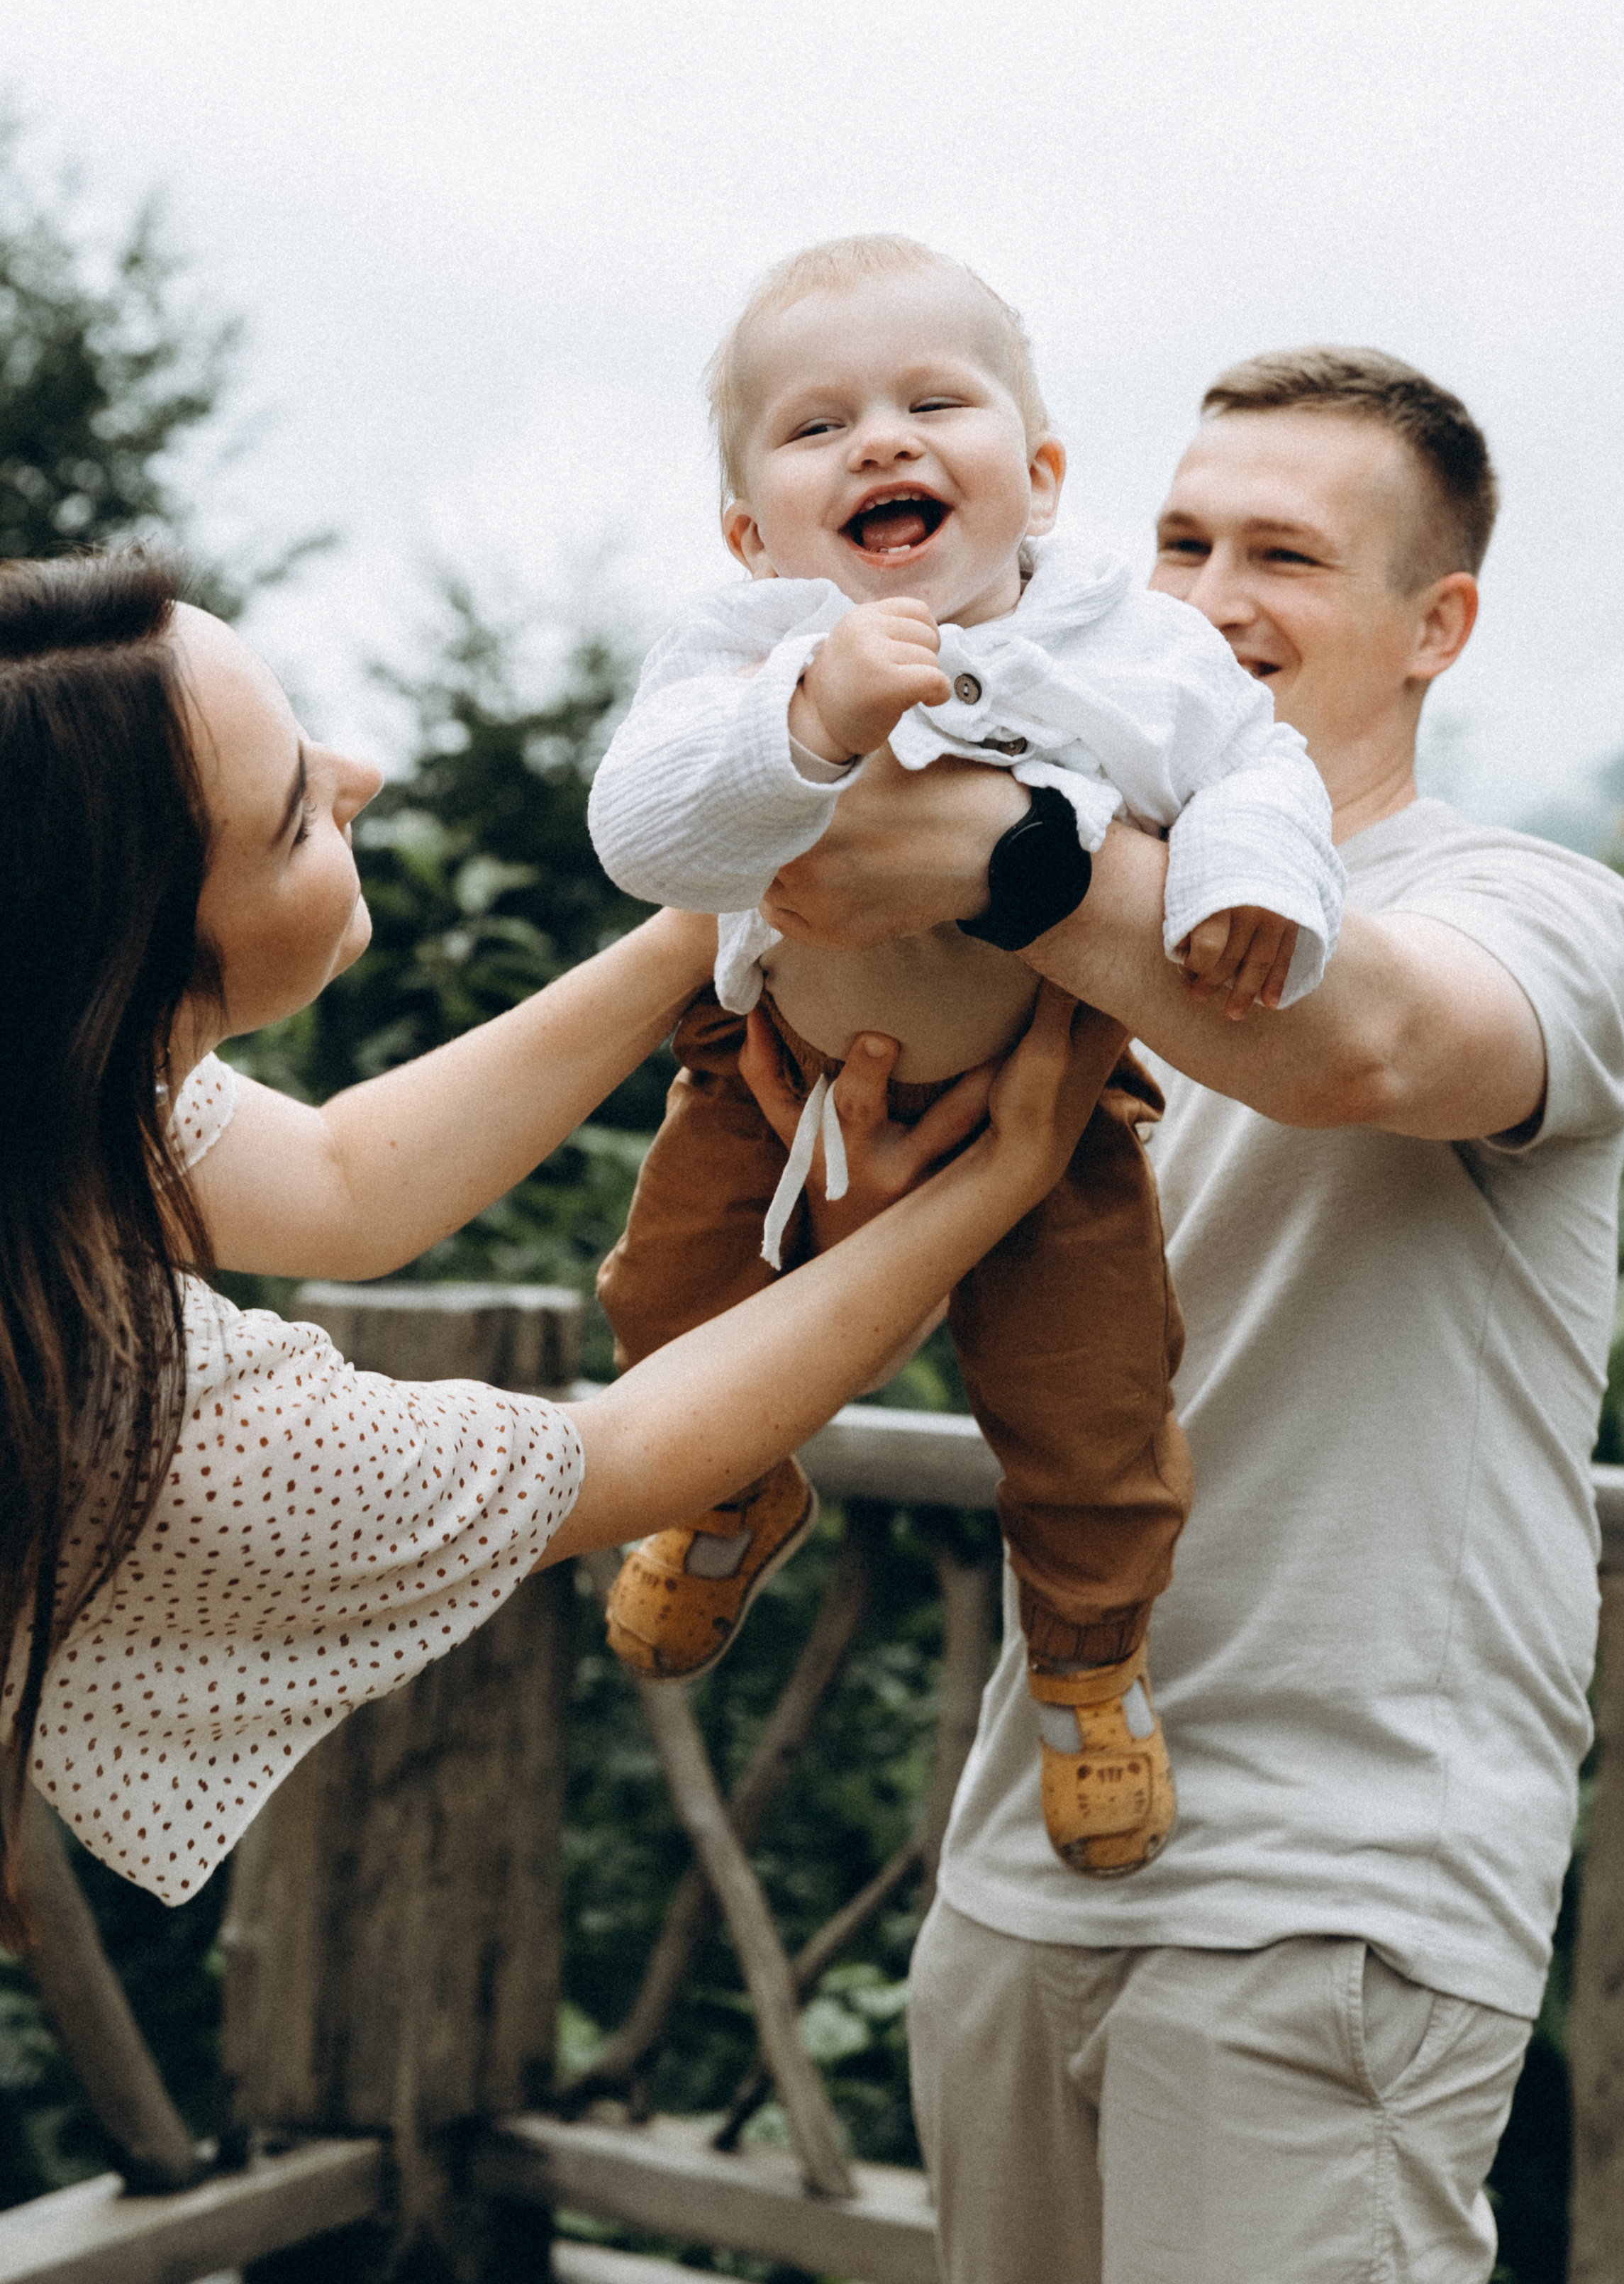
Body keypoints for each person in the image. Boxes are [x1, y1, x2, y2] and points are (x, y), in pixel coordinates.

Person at [757, 347, 1624, 2283]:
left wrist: (1012, 862)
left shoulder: (1535, 908)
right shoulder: (1061, 960)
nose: (1212, 596)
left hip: (1340, 1887)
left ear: (1438, 627)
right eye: (1178, 538)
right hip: (1020, 1860)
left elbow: (1364, 1045)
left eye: (1288, 556)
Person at [0, 548, 1119, 1943]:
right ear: (132, 958)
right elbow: (628, 1454)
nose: (359, 775)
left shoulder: (45, 1096)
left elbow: (350, 1188)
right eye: (295, 815)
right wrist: (1002, 1174)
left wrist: (728, 895)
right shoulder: (143, 1417)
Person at [584, 235, 1345, 1879]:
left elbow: (1256, 770)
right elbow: (638, 832)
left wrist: (1247, 876)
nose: (881, 439)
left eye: (937, 400)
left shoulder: (1129, 648)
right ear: (749, 533)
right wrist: (802, 721)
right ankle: (723, 1492)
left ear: (1042, 474)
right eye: (816, 428)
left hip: (1046, 1106)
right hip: (768, 1074)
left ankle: (1085, 1671)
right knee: (660, 1301)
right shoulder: (740, 650)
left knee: (1092, 1407)